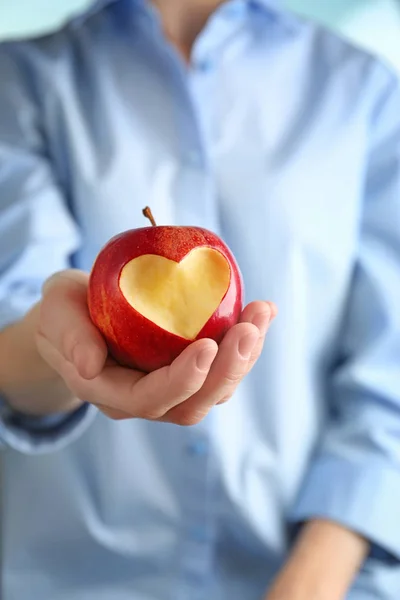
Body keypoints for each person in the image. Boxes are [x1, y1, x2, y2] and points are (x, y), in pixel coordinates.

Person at [0, 0, 399, 598]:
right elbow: (12, 328)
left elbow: (389, 372)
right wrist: (58, 350)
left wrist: (307, 585)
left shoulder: (360, 90)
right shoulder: (20, 83)